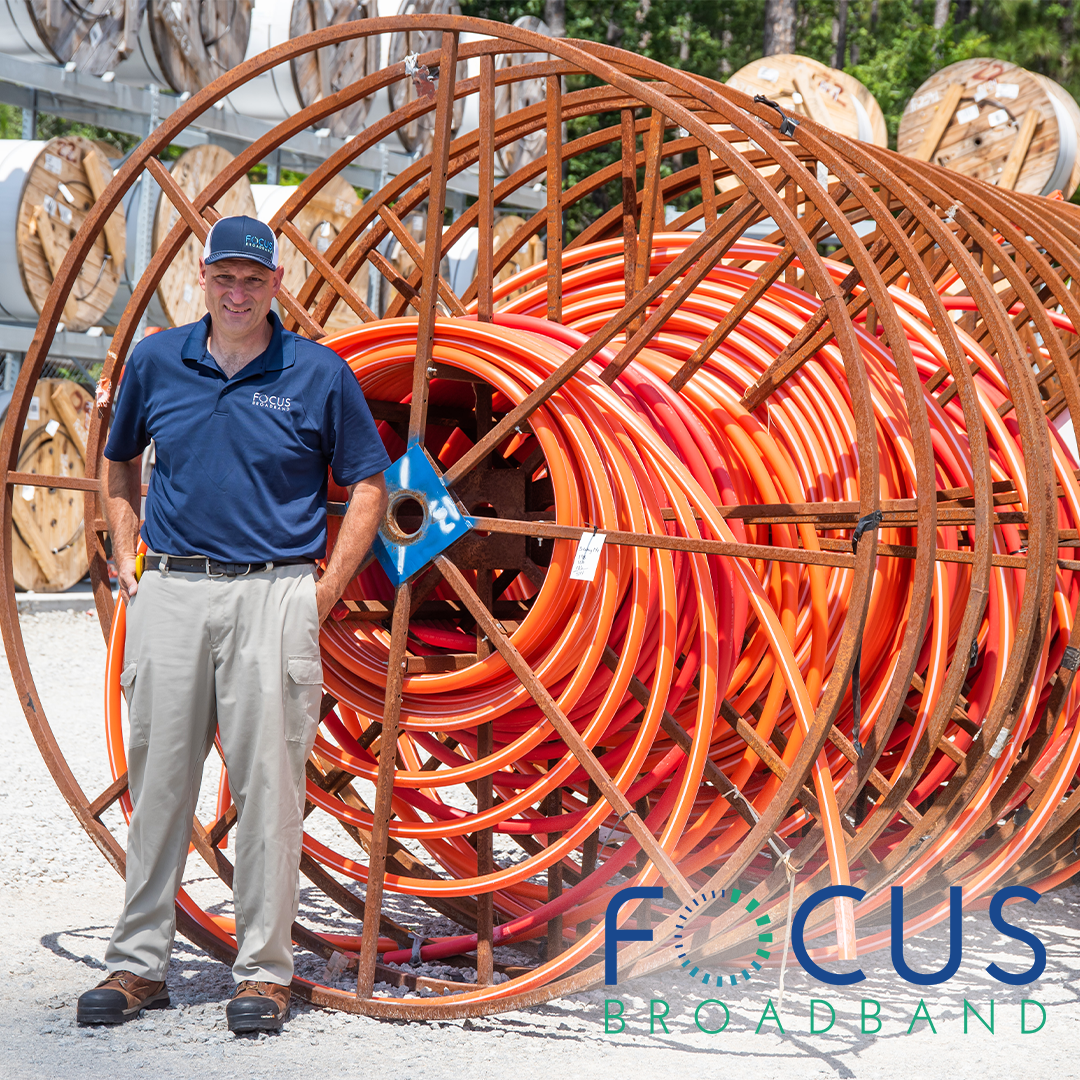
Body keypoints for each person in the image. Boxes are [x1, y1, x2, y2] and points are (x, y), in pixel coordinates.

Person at [77, 215, 390, 1033]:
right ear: (203, 278)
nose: (238, 293)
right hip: (173, 591)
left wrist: (323, 591)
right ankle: (139, 965)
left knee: (269, 788)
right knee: (159, 783)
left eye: (253, 279)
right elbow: (118, 459)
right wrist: (126, 550)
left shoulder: (318, 373)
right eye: (225, 277)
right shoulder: (157, 361)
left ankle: (262, 973)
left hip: (273, 593)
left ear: (276, 284)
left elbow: (369, 483)